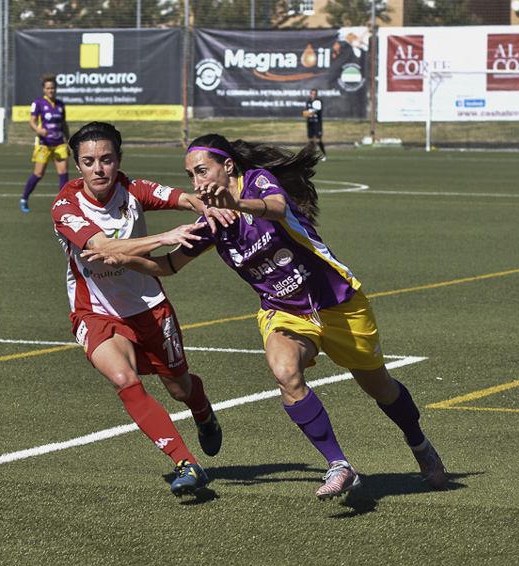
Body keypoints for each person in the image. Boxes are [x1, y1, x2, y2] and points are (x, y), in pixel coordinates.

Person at [84, 134, 446, 500]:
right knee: (285, 373)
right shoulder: (213, 221)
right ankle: (339, 465)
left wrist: (237, 202)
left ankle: (420, 445)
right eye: (190, 176)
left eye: (201, 171)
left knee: (381, 388)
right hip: (284, 313)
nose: (196, 183)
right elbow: (168, 265)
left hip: (339, 304)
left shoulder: (257, 182)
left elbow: (274, 206)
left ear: (228, 167)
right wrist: (124, 259)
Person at [51, 121, 227, 496]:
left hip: (150, 307)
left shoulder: (133, 191)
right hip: (94, 310)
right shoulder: (65, 208)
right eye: (88, 161)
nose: (98, 169)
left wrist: (207, 205)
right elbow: (102, 249)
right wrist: (166, 237)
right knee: (124, 379)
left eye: (106, 159)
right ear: (77, 166)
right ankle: (187, 463)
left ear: (118, 160)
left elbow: (184, 198)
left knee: (179, 388)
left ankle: (202, 410)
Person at [19, 74, 71, 213]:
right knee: (39, 173)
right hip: (44, 144)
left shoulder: (60, 105)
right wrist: (38, 130)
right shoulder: (38, 103)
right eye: (48, 88)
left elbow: (63, 124)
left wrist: (69, 140)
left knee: (63, 172)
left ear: (56, 89)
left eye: (53, 88)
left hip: (59, 143)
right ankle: (24, 198)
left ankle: (62, 203)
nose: (51, 91)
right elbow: (32, 121)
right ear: (44, 89)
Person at [303, 89, 326, 161]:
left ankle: (324, 154)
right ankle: (312, 155)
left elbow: (319, 111)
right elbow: (306, 112)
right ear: (310, 94)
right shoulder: (308, 102)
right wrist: (306, 114)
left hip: (317, 123)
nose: (313, 95)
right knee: (311, 140)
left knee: (318, 140)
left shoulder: (318, 101)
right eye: (312, 94)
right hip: (310, 123)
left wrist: (313, 112)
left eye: (315, 94)